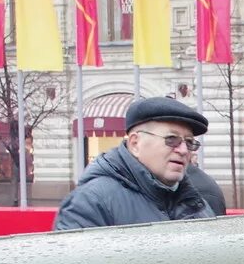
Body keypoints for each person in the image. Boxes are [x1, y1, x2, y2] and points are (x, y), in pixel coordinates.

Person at [54, 97, 212, 231]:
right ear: (135, 143)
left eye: (190, 142)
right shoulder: (90, 203)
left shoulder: (197, 203)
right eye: (171, 139)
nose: (183, 150)